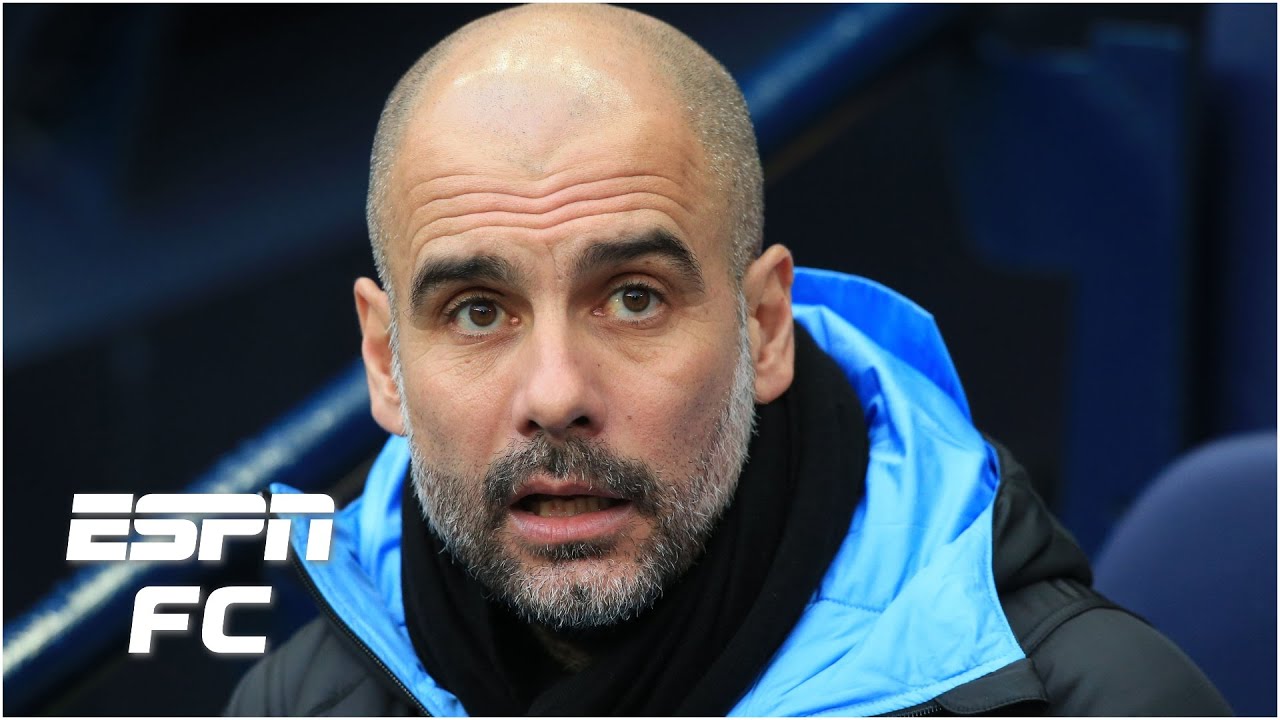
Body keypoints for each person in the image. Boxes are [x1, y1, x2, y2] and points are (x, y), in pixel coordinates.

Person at [227, 5, 1230, 716]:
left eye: (633, 298)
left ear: (762, 329)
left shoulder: (1090, 702)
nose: (556, 394)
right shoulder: (299, 703)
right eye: (478, 311)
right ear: (385, 363)